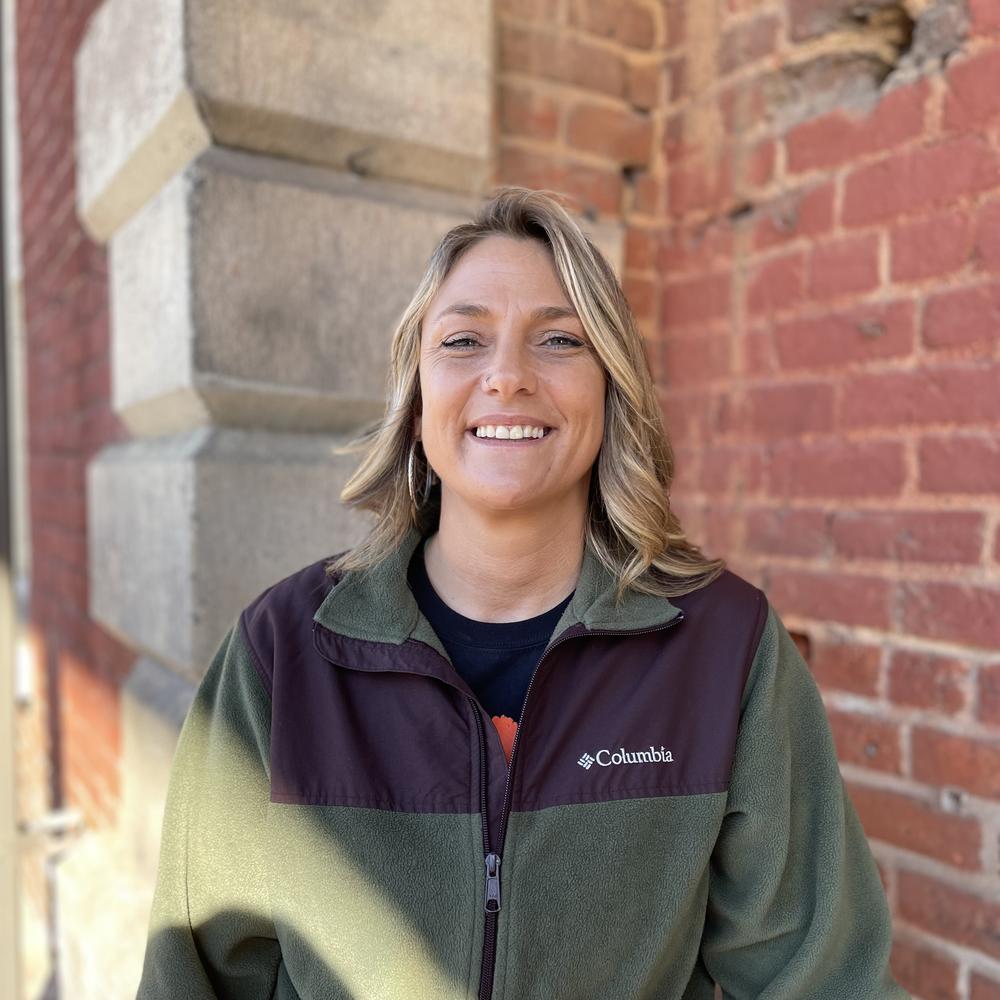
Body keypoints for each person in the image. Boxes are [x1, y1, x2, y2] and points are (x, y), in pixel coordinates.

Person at [136, 186, 910, 999]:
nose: (506, 377)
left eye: (560, 341)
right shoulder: (282, 654)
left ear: (611, 387)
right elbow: (193, 978)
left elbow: (821, 981)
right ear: (418, 393)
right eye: (465, 339)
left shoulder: (724, 649)